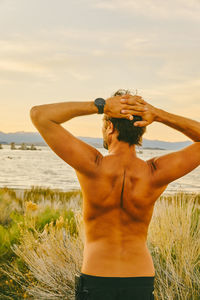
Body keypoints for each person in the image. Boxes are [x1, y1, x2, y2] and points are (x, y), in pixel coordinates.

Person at [30, 89, 200, 300]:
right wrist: (158, 114)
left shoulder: (93, 165)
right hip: (140, 279)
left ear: (109, 127)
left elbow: (39, 115)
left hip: (96, 277)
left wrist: (99, 106)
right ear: (141, 131)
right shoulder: (155, 173)